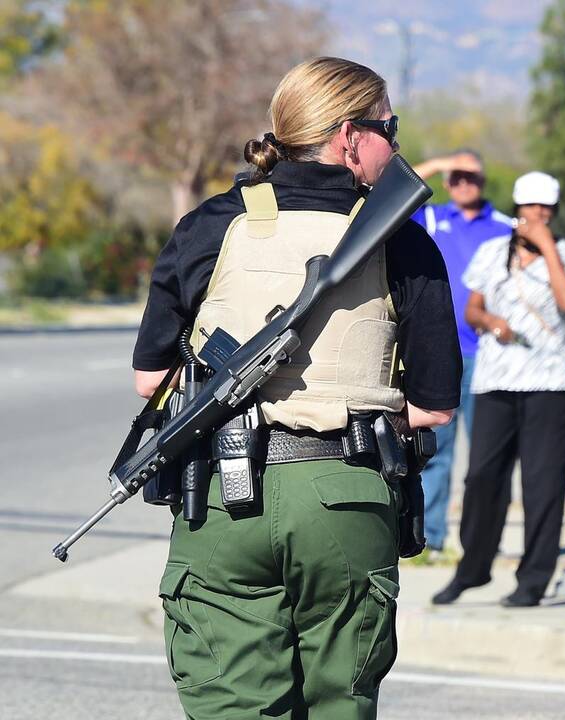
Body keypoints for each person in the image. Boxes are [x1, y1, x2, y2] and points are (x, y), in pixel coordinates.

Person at [130, 57, 462, 718]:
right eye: (389, 128)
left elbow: (150, 379)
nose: (395, 145)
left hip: (223, 498)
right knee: (341, 704)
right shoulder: (400, 238)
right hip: (347, 495)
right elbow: (434, 407)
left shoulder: (213, 223)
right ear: (350, 136)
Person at [431, 171, 565, 608]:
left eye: (545, 209)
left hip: (549, 383)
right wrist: (491, 323)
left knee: (543, 484)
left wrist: (549, 250)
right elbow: (473, 308)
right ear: (517, 210)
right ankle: (473, 569)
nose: (536, 216)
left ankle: (534, 579)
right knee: (482, 477)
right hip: (496, 380)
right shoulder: (491, 252)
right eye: (529, 208)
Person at [411, 150, 514, 553]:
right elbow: (385, 192)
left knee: (490, 455)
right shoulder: (434, 218)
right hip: (441, 354)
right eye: (456, 177)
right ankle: (433, 540)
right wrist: (438, 165)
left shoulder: (505, 228)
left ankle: (485, 540)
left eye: (471, 177)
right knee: (437, 452)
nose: (463, 183)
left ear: (484, 181)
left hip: (490, 356)